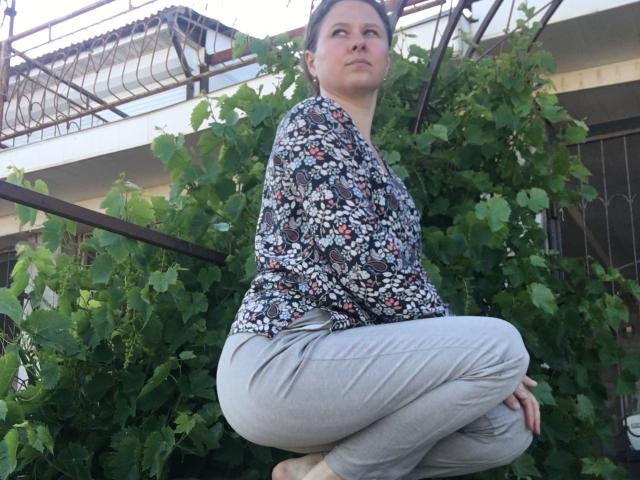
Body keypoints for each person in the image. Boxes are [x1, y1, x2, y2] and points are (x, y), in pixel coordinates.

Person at [215, 0, 540, 478]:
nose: (358, 42)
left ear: (387, 58)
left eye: (371, 32)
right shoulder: (313, 122)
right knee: (503, 348)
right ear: (311, 62)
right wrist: (482, 358)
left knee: (505, 428)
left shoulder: (388, 177)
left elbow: (396, 285)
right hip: (283, 355)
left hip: (347, 366)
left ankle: (315, 471)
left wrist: (482, 366)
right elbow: (365, 262)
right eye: (340, 33)